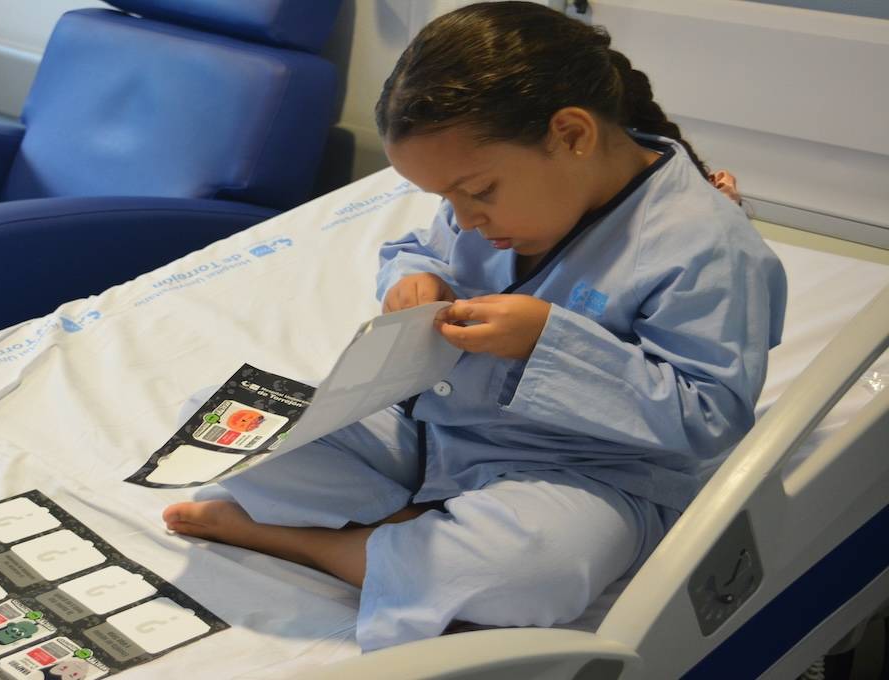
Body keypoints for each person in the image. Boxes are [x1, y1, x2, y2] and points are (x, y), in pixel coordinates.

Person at [163, 1, 788, 652]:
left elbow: (709, 416)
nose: (465, 218)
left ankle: (312, 543)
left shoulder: (705, 247)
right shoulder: (489, 204)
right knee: (220, 420)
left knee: (534, 568)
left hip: (588, 473)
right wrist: (413, 280)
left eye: (479, 192)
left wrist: (550, 343)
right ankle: (411, 536)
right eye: (447, 200)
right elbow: (426, 250)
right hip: (433, 430)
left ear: (572, 135)